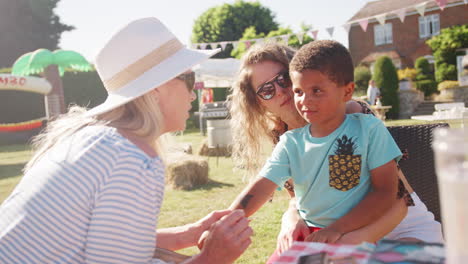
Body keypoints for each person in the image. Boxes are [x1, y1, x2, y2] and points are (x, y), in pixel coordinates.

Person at [0, 17, 252, 264]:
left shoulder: (91, 138)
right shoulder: (132, 158)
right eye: (188, 79)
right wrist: (211, 258)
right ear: (155, 89)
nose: (193, 93)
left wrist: (186, 234)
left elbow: (109, 243)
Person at [228, 42, 443, 259]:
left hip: (398, 230)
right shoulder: (286, 139)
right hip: (339, 235)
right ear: (258, 101)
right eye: (267, 90)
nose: (281, 91)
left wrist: (346, 240)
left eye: (283, 78)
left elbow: (397, 198)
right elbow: (298, 195)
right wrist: (291, 219)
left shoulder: (351, 118)